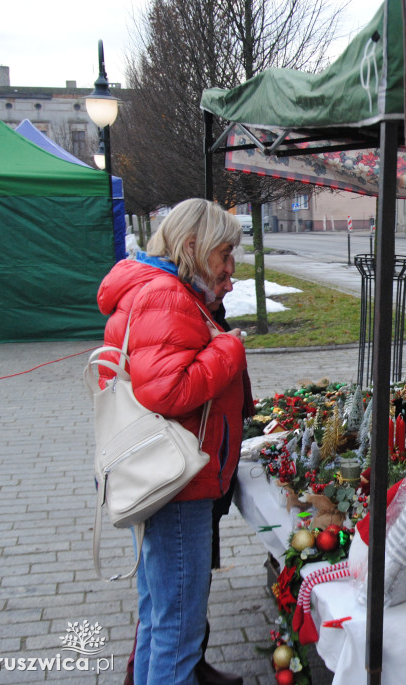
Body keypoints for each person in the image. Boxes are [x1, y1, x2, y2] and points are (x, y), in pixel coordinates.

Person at [97, 198, 246, 685]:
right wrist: (228, 347)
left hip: (160, 475)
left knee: (159, 619)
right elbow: (168, 390)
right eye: (223, 253)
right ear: (190, 247)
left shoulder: (155, 288)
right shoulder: (166, 295)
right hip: (178, 483)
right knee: (177, 632)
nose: (230, 266)